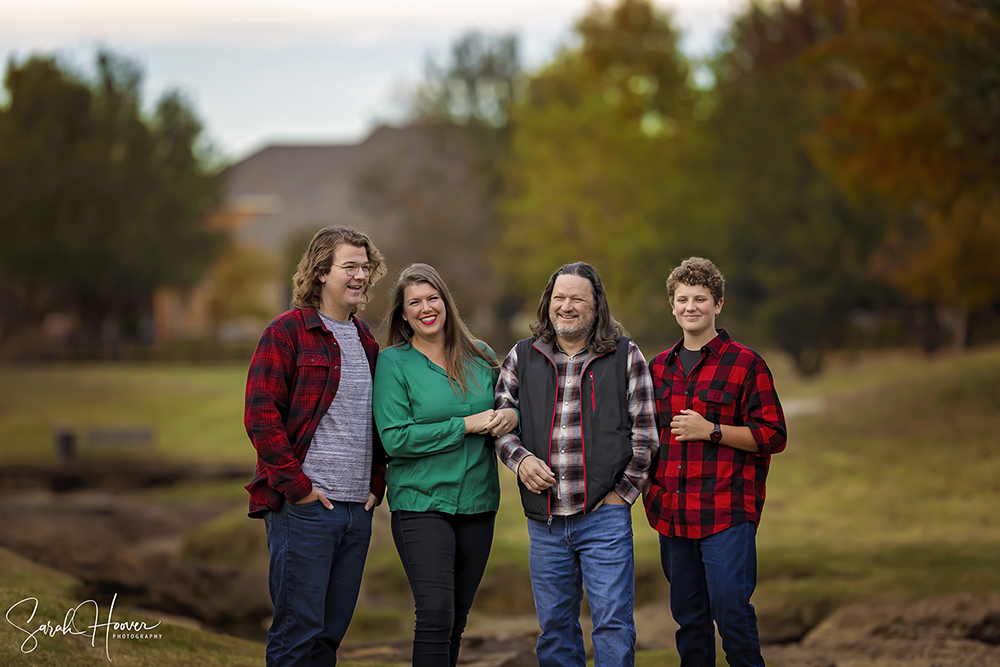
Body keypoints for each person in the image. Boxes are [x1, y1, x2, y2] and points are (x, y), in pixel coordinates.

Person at [493, 261, 658, 667]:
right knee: (555, 629)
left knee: (613, 625)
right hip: (545, 521)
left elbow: (646, 434)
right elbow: (500, 421)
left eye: (577, 299)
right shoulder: (522, 355)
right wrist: (521, 461)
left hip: (604, 519)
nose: (566, 306)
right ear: (548, 302)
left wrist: (622, 496)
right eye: (559, 297)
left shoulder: (625, 355)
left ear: (595, 305)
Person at [244, 225, 388, 667]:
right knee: (296, 634)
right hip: (305, 509)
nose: (360, 276)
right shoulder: (287, 332)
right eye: (350, 267)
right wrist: (299, 488)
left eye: (366, 267)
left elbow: (376, 423)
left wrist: (376, 485)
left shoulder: (366, 341)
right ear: (322, 272)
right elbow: (260, 416)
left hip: (354, 513)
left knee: (328, 639)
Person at [644, 257, 787, 667]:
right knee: (690, 624)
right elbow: (644, 436)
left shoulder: (746, 364)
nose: (691, 307)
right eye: (683, 299)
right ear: (672, 305)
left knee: (733, 617)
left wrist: (712, 430)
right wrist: (649, 489)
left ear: (718, 304)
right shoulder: (657, 369)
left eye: (701, 299)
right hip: (673, 515)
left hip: (727, 513)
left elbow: (773, 436)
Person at [373, 263, 516, 667]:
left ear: (446, 303)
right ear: (403, 315)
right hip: (420, 502)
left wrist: (512, 417)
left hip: (478, 501)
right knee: (435, 614)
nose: (425, 308)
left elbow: (511, 407)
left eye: (432, 298)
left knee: (455, 619)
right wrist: (465, 425)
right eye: (413, 303)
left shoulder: (482, 355)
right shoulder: (393, 363)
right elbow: (395, 439)